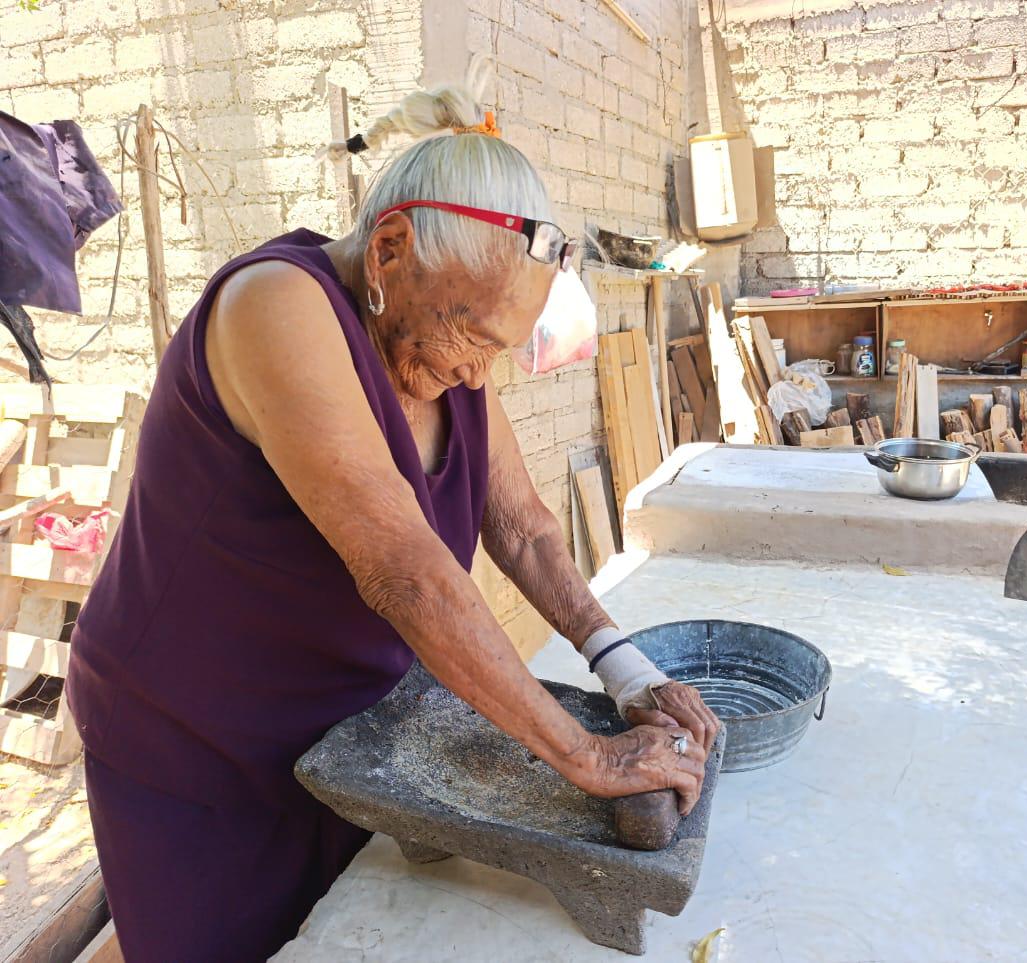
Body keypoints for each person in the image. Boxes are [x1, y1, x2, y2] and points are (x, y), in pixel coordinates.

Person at [66, 69, 719, 962]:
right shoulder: (277, 307)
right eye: (475, 339)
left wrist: (623, 667)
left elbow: (523, 526)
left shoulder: (448, 347)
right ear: (389, 252)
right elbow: (402, 571)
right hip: (196, 740)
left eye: (501, 347)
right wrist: (591, 759)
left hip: (345, 738)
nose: (480, 374)